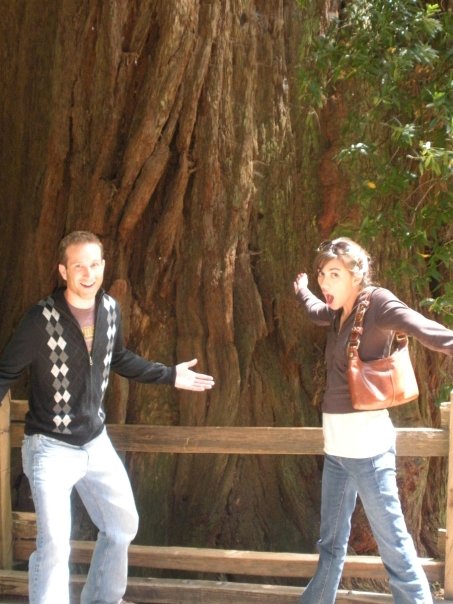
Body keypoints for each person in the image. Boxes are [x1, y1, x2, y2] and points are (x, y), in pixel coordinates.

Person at [0, 230, 215, 604]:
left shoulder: (110, 308)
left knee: (122, 525)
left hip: (95, 442)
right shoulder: (40, 320)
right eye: (79, 265)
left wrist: (170, 374)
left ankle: (103, 599)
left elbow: (119, 358)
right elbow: (5, 372)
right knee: (54, 545)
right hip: (50, 447)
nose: (88, 273)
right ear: (63, 271)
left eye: (95, 264)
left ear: (103, 267)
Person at [293, 237, 453, 604]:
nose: (325, 282)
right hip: (336, 454)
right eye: (322, 274)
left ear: (356, 275)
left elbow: (426, 329)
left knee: (394, 548)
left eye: (334, 274)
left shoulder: (378, 304)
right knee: (330, 546)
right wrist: (303, 290)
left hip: (368, 454)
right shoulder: (336, 313)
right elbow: (315, 309)